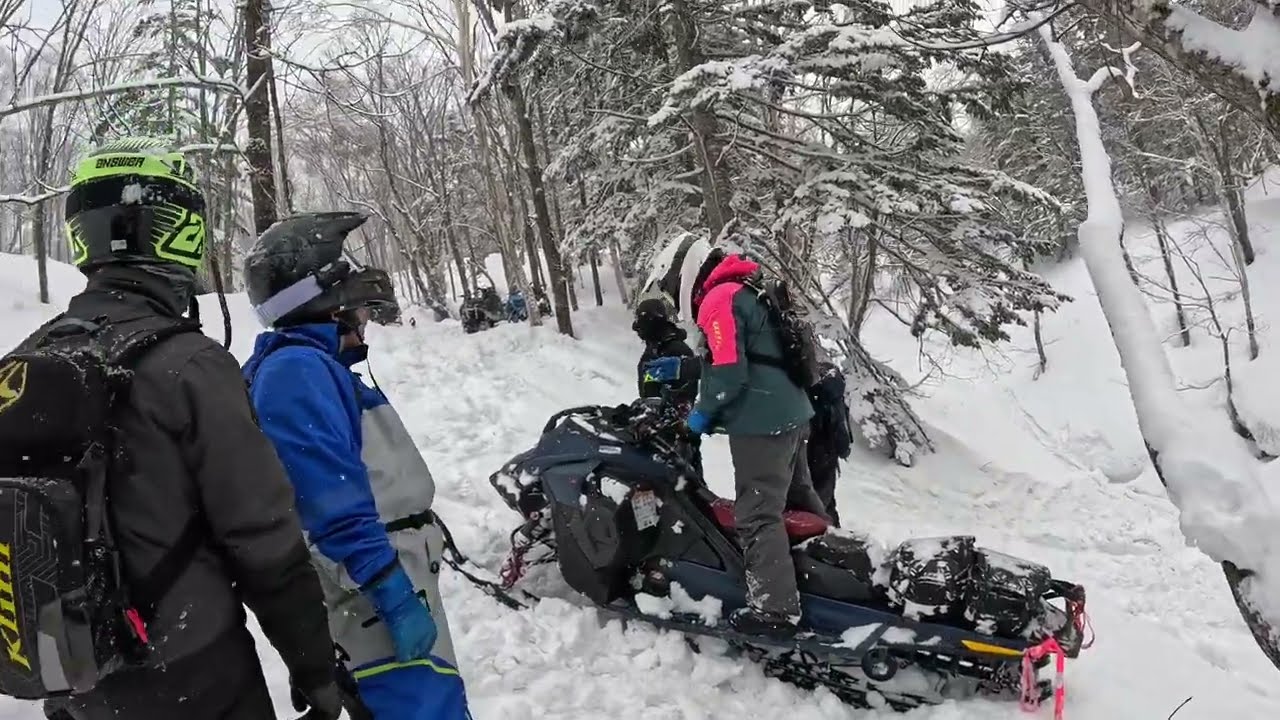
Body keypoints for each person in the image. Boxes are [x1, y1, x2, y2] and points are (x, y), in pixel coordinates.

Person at [32, 138, 345, 720]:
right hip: (193, 673)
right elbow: (264, 538)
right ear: (174, 232)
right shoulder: (189, 365)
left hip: (73, 677)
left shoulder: (25, 360)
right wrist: (314, 666)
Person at [241, 211, 471, 720]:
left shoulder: (313, 366)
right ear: (321, 297)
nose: (364, 313)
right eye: (353, 297)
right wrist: (391, 592)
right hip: (371, 597)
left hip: (382, 580)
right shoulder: (295, 371)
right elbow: (329, 501)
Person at [669, 246, 830, 638]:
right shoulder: (745, 290)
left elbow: (728, 372)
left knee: (757, 513)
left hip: (763, 422)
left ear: (687, 276)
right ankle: (830, 570)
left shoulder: (719, 298)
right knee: (797, 495)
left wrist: (698, 419)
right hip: (792, 413)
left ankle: (775, 609)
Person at [805, 362, 854, 526]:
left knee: (810, 501)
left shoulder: (807, 389)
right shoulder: (834, 395)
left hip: (804, 448)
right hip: (826, 452)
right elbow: (841, 429)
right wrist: (843, 449)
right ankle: (831, 532)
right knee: (824, 502)